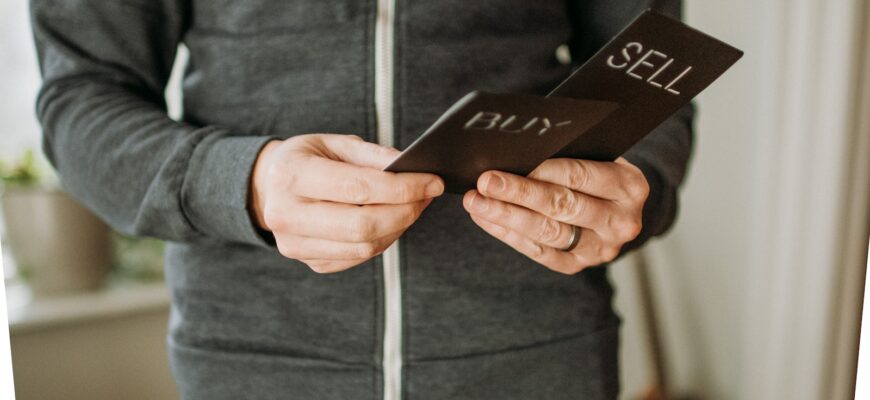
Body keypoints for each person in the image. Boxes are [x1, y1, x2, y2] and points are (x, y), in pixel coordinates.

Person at [30, 1, 692, 399]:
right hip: (258, 365)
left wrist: (633, 191)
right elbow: (80, 100)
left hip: (541, 358)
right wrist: (241, 183)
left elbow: (649, 75)